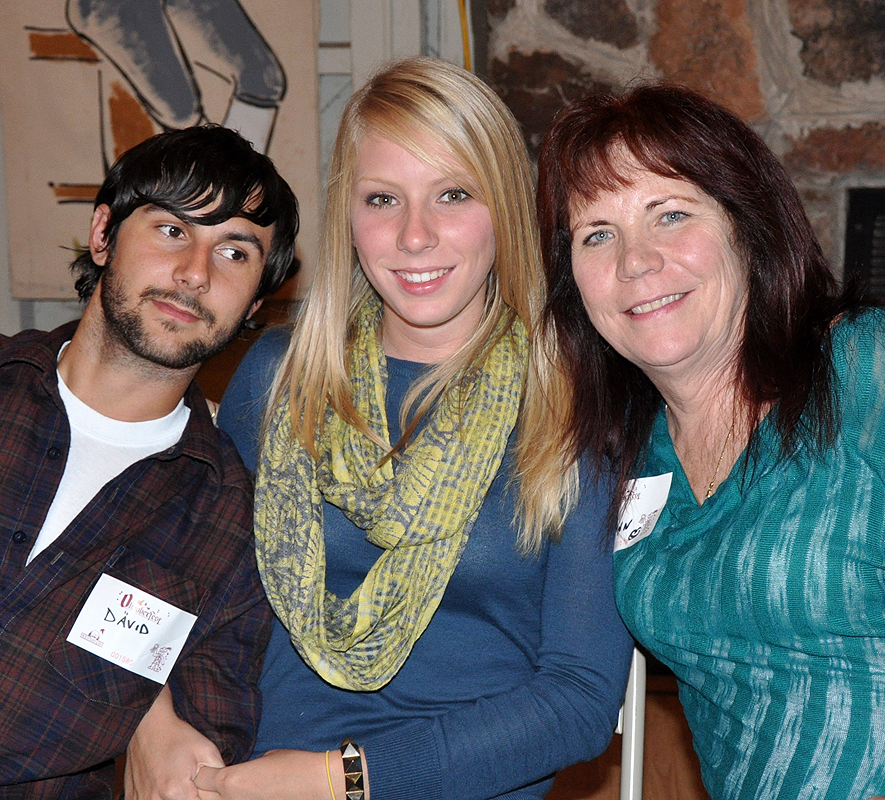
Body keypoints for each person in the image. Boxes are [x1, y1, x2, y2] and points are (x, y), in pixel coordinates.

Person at [142, 56, 631, 800]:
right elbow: (163, 575)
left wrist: (337, 781)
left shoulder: (576, 402)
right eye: (382, 198)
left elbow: (576, 702)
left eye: (453, 195)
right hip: (236, 776)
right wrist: (152, 722)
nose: (413, 236)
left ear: (503, 205)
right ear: (350, 215)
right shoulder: (277, 376)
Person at [538, 82, 885, 799]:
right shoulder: (624, 457)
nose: (635, 261)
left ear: (746, 226)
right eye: (596, 233)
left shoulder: (864, 371)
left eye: (670, 214)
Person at [0, 124, 297, 798]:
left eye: (233, 251)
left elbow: (189, 770)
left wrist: (159, 718)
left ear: (256, 302)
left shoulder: (234, 531)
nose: (195, 273)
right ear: (103, 234)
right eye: (172, 230)